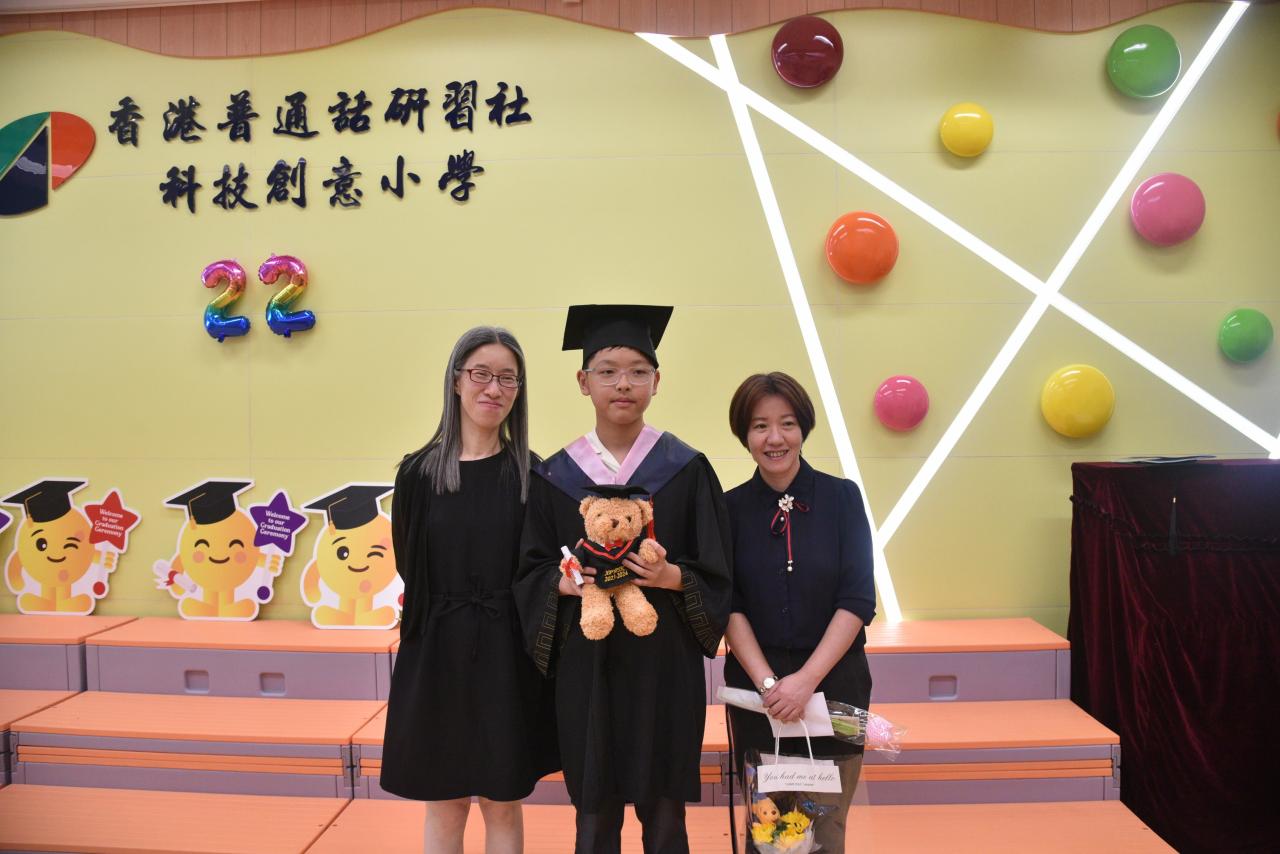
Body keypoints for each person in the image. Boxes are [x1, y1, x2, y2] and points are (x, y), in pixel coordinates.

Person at [514, 304, 733, 854]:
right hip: (587, 668)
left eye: (638, 371)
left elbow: (718, 570)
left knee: (665, 816)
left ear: (657, 381)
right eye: (607, 371)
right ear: (583, 381)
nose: (623, 384)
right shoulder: (554, 476)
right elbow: (529, 570)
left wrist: (671, 576)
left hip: (664, 665)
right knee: (594, 814)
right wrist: (561, 584)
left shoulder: (686, 468)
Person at [382, 326, 558, 854]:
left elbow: (538, 571)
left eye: (508, 378)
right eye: (481, 374)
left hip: (507, 654)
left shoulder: (531, 474)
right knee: (445, 801)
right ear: (457, 381)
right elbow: (409, 563)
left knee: (502, 801)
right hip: (436, 651)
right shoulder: (417, 474)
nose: (493, 388)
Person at [722, 372, 876, 854]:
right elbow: (728, 604)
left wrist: (805, 681)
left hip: (838, 688)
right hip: (757, 698)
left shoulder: (843, 497)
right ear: (744, 435)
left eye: (787, 423)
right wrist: (771, 686)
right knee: (767, 833)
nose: (775, 438)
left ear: (803, 428)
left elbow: (858, 600)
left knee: (826, 831)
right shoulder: (728, 508)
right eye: (760, 426)